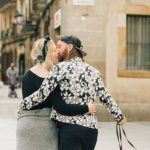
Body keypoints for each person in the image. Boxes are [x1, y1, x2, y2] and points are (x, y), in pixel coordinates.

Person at [21, 35, 126, 150]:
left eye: (59, 47)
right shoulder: (94, 71)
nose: (57, 51)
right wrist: (119, 116)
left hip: (69, 130)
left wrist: (24, 104)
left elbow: (42, 93)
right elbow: (105, 97)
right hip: (91, 131)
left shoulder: (60, 68)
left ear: (70, 47)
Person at [17, 36, 96, 150]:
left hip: (25, 126)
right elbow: (61, 107)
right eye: (54, 51)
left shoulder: (27, 75)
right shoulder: (54, 76)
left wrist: (21, 105)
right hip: (46, 129)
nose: (58, 53)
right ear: (47, 54)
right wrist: (87, 108)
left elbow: (27, 105)